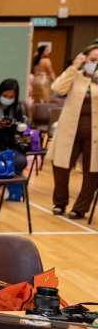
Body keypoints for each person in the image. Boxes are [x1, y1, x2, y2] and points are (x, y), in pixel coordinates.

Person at [48, 45, 98, 219]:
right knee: (60, 166)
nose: (95, 63)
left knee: (92, 171)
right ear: (84, 59)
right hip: (69, 129)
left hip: (94, 133)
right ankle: (60, 203)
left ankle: (80, 208)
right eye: (93, 60)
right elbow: (58, 88)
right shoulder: (75, 75)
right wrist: (74, 66)